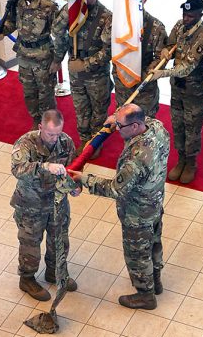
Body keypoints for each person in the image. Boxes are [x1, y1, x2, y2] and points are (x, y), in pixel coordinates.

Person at [69, 103, 170, 310]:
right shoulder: (157, 128)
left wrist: (84, 179)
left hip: (137, 212)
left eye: (119, 126)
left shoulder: (137, 158)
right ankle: (155, 281)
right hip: (155, 202)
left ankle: (145, 295)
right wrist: (115, 121)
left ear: (134, 127)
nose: (116, 128)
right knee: (154, 243)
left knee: (137, 254)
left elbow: (116, 189)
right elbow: (145, 119)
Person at [11, 109, 80, 301]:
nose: (54, 138)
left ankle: (54, 272)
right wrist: (44, 167)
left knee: (59, 241)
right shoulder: (26, 143)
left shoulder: (65, 141)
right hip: (31, 205)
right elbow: (18, 169)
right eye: (50, 134)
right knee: (30, 244)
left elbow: (72, 169)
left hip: (57, 203)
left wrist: (74, 187)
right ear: (41, 127)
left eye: (57, 133)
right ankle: (27, 279)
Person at [150, 0, 203, 183]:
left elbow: (187, 67)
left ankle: (191, 162)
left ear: (199, 15)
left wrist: (162, 73)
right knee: (177, 124)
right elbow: (170, 45)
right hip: (177, 88)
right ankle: (181, 159)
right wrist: (165, 51)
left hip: (193, 89)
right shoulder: (179, 26)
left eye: (190, 16)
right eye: (184, 14)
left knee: (192, 127)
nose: (186, 18)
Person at [50, 0, 112, 157]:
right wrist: (58, 59)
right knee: (81, 108)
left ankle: (95, 142)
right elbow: (58, 33)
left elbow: (109, 51)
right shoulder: (72, 12)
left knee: (98, 109)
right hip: (76, 73)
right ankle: (85, 138)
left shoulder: (106, 17)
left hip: (96, 75)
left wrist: (86, 64)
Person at [0, 0, 58, 129]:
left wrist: (57, 59)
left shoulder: (48, 6)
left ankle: (49, 122)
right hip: (23, 55)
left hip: (43, 57)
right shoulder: (18, 1)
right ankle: (36, 120)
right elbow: (12, 22)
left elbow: (60, 35)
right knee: (29, 92)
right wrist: (3, 31)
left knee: (46, 93)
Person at [113, 0, 168, 117]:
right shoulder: (117, 23)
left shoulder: (156, 27)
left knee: (145, 124)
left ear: (144, 0)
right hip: (123, 83)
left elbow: (161, 58)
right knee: (125, 122)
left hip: (144, 87)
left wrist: (145, 74)